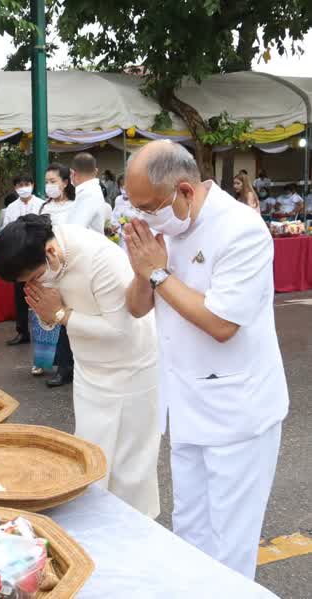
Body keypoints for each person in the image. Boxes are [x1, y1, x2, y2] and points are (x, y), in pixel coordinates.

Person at [124, 140, 288, 580]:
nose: (141, 216)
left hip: (238, 413)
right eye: (134, 206)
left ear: (184, 190)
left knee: (229, 544)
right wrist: (143, 269)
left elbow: (221, 323)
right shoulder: (166, 228)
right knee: (189, 530)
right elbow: (138, 307)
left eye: (147, 206)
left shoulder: (241, 229)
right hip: (186, 403)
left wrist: (158, 272)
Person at [0, 214, 161, 516]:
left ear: (51, 252)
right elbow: (57, 314)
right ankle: (94, 528)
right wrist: (50, 314)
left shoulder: (100, 259)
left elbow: (121, 330)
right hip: (90, 370)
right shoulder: (48, 262)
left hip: (130, 371)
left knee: (129, 469)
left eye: (32, 278)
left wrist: (60, 314)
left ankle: (134, 535)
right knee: (91, 455)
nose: (32, 285)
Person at [39, 165, 77, 386]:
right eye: (47, 181)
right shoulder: (45, 208)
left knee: (75, 315)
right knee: (58, 316)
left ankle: (73, 365)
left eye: (53, 181)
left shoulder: (76, 207)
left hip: (74, 265)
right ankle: (62, 367)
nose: (49, 185)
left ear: (65, 182)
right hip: (53, 268)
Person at [3, 175, 45, 347]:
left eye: (27, 184)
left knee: (41, 295)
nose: (24, 187)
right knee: (20, 296)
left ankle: (44, 331)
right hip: (18, 257)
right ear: (15, 187)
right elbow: (6, 231)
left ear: (33, 185)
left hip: (38, 257)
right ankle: (22, 332)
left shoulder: (42, 204)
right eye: (20, 185)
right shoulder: (11, 208)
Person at [68, 153, 107, 234]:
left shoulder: (88, 194)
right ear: (96, 171)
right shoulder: (92, 191)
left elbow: (75, 230)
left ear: (72, 173)